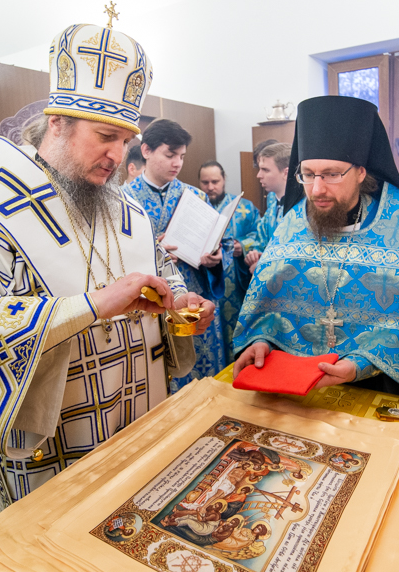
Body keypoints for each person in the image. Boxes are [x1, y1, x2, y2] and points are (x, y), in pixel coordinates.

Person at [0, 22, 213, 501]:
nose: (117, 154)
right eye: (105, 135)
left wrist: (179, 304)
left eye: (126, 140)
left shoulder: (126, 209)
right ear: (57, 123)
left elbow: (161, 274)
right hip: (55, 442)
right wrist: (91, 305)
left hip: (138, 413)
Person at [232, 96, 399, 407]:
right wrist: (261, 340)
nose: (317, 189)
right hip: (293, 401)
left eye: (332, 174)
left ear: (361, 172)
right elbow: (267, 306)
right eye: (307, 174)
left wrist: (361, 364)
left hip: (380, 397)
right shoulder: (291, 227)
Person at [124, 119, 227, 387]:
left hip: (192, 297)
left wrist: (214, 260)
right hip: (150, 303)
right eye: (170, 155)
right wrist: (151, 252)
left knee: (201, 379)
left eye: (181, 156)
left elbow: (211, 249)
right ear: (146, 151)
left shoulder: (196, 197)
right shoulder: (123, 199)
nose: (177, 163)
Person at [198, 160, 259, 356]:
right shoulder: (196, 209)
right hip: (205, 285)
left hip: (236, 287)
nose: (210, 187)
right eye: (205, 182)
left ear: (224, 180)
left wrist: (244, 246)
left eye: (215, 181)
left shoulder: (245, 208)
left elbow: (261, 235)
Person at [241, 143, 290, 273]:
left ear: (286, 173)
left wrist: (265, 266)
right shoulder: (272, 204)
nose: (259, 175)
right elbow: (262, 241)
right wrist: (256, 255)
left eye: (265, 170)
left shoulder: (303, 209)